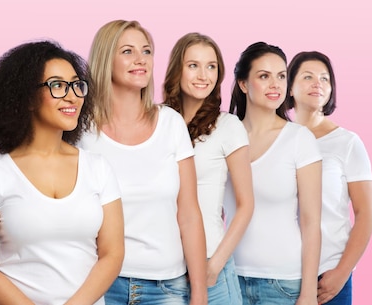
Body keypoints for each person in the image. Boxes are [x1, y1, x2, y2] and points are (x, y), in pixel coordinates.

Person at [0, 40, 124, 305]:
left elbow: (112, 254)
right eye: (57, 85)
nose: (72, 96)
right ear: (25, 98)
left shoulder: (98, 167)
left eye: (76, 84)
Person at [79, 20, 208, 305]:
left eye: (147, 51)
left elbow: (189, 214)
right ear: (104, 59)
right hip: (98, 284)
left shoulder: (171, 124)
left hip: (165, 288)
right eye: (127, 51)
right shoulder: (81, 131)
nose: (141, 59)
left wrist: (199, 293)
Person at [225, 42, 323, 305]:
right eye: (264, 76)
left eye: (281, 76)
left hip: (283, 284)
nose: (275, 85)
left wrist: (308, 293)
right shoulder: (223, 134)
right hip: (228, 277)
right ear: (243, 84)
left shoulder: (299, 139)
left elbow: (311, 222)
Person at [162, 32, 254, 305]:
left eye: (211, 66)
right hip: (164, 266)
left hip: (209, 261)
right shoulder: (159, 121)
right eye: (193, 65)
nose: (204, 75)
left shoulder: (228, 126)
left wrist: (215, 264)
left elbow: (246, 205)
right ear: (177, 69)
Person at [284, 51, 372, 305]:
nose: (318, 83)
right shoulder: (278, 139)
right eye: (308, 76)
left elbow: (366, 213)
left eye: (325, 79)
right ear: (289, 87)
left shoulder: (347, 143)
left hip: (328, 277)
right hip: (280, 276)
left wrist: (342, 272)